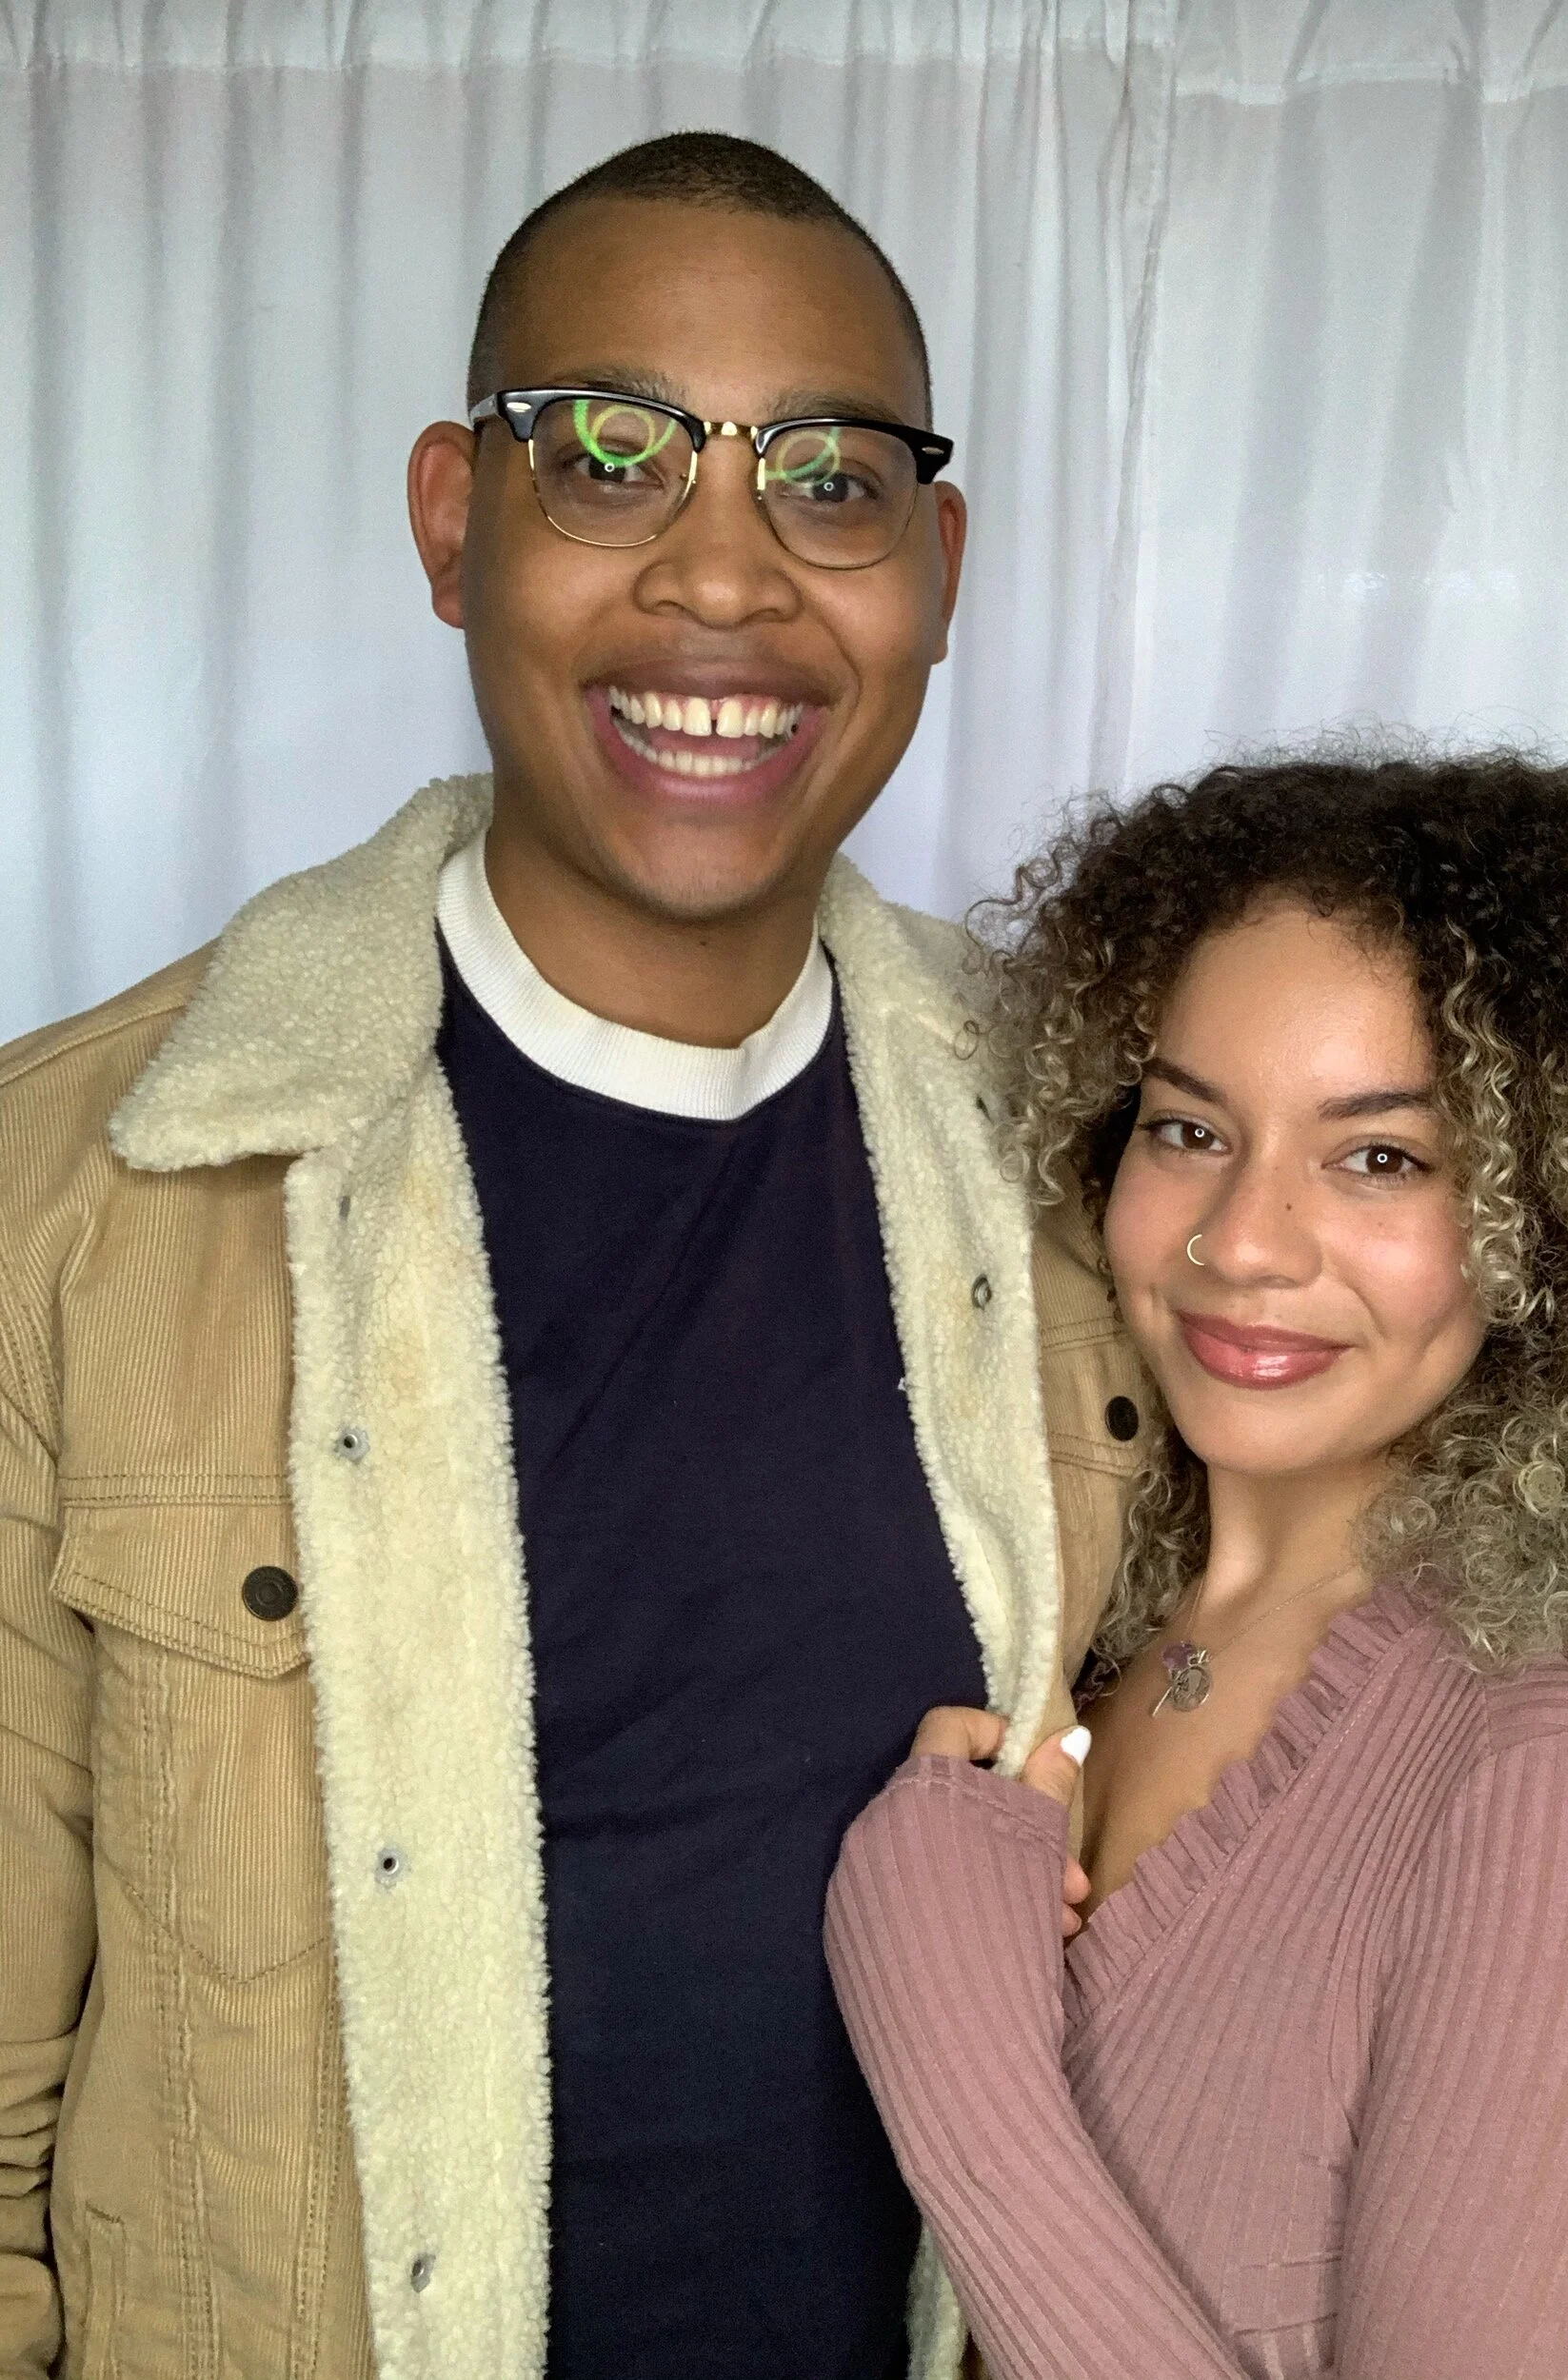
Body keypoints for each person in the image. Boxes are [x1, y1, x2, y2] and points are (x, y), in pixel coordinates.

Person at [0, 135, 1149, 2380]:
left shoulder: (1102, 1170)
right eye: (610, 456)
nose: (722, 577)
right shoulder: (75, 1203)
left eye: (828, 480)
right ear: (456, 523)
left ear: (935, 569)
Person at [827, 749, 1568, 2380]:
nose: (1240, 1241)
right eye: (1188, 1128)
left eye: (1381, 1157)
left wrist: (960, 2072)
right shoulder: (1078, 1617)